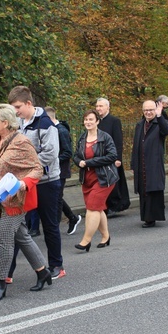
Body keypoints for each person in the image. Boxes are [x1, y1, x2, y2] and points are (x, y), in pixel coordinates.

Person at [0, 104, 53, 302]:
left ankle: (0, 282)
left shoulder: (21, 142)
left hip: (15, 199)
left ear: (6, 123)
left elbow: (37, 168)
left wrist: (22, 184)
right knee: (22, 236)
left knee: (3, 237)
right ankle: (43, 272)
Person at [8, 85, 65, 280]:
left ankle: (56, 264)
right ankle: (7, 272)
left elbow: (50, 153)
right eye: (13, 108)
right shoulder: (18, 123)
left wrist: (26, 167)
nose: (15, 111)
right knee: (16, 225)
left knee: (49, 225)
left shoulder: (46, 123)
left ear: (28, 103)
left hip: (47, 182)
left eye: (18, 107)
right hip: (25, 182)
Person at [72, 110, 118, 250]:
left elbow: (112, 156)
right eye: (86, 119)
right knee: (97, 209)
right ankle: (106, 236)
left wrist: (90, 162)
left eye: (91, 119)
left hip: (104, 178)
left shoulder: (105, 137)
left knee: (92, 208)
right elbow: (76, 155)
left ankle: (86, 240)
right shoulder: (82, 137)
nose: (88, 122)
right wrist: (78, 161)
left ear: (97, 121)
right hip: (87, 178)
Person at [131, 100, 168, 228]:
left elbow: (167, 131)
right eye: (146, 110)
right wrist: (133, 164)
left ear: (155, 110)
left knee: (153, 190)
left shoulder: (159, 123)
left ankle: (152, 218)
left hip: (154, 163)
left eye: (151, 110)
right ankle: (146, 217)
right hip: (141, 163)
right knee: (143, 191)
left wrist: (159, 116)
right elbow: (135, 145)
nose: (148, 112)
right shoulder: (140, 124)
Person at [45, 107, 81, 235]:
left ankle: (56, 226)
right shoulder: (52, 130)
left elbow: (68, 152)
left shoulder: (61, 131)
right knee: (56, 197)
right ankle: (72, 217)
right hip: (53, 170)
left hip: (61, 170)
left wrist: (54, 160)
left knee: (57, 198)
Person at [96, 98, 130, 215]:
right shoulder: (96, 121)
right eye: (97, 106)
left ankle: (113, 206)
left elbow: (118, 140)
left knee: (113, 184)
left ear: (107, 107)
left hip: (112, 158)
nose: (98, 108)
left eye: (101, 106)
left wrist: (118, 158)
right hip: (100, 159)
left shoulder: (114, 121)